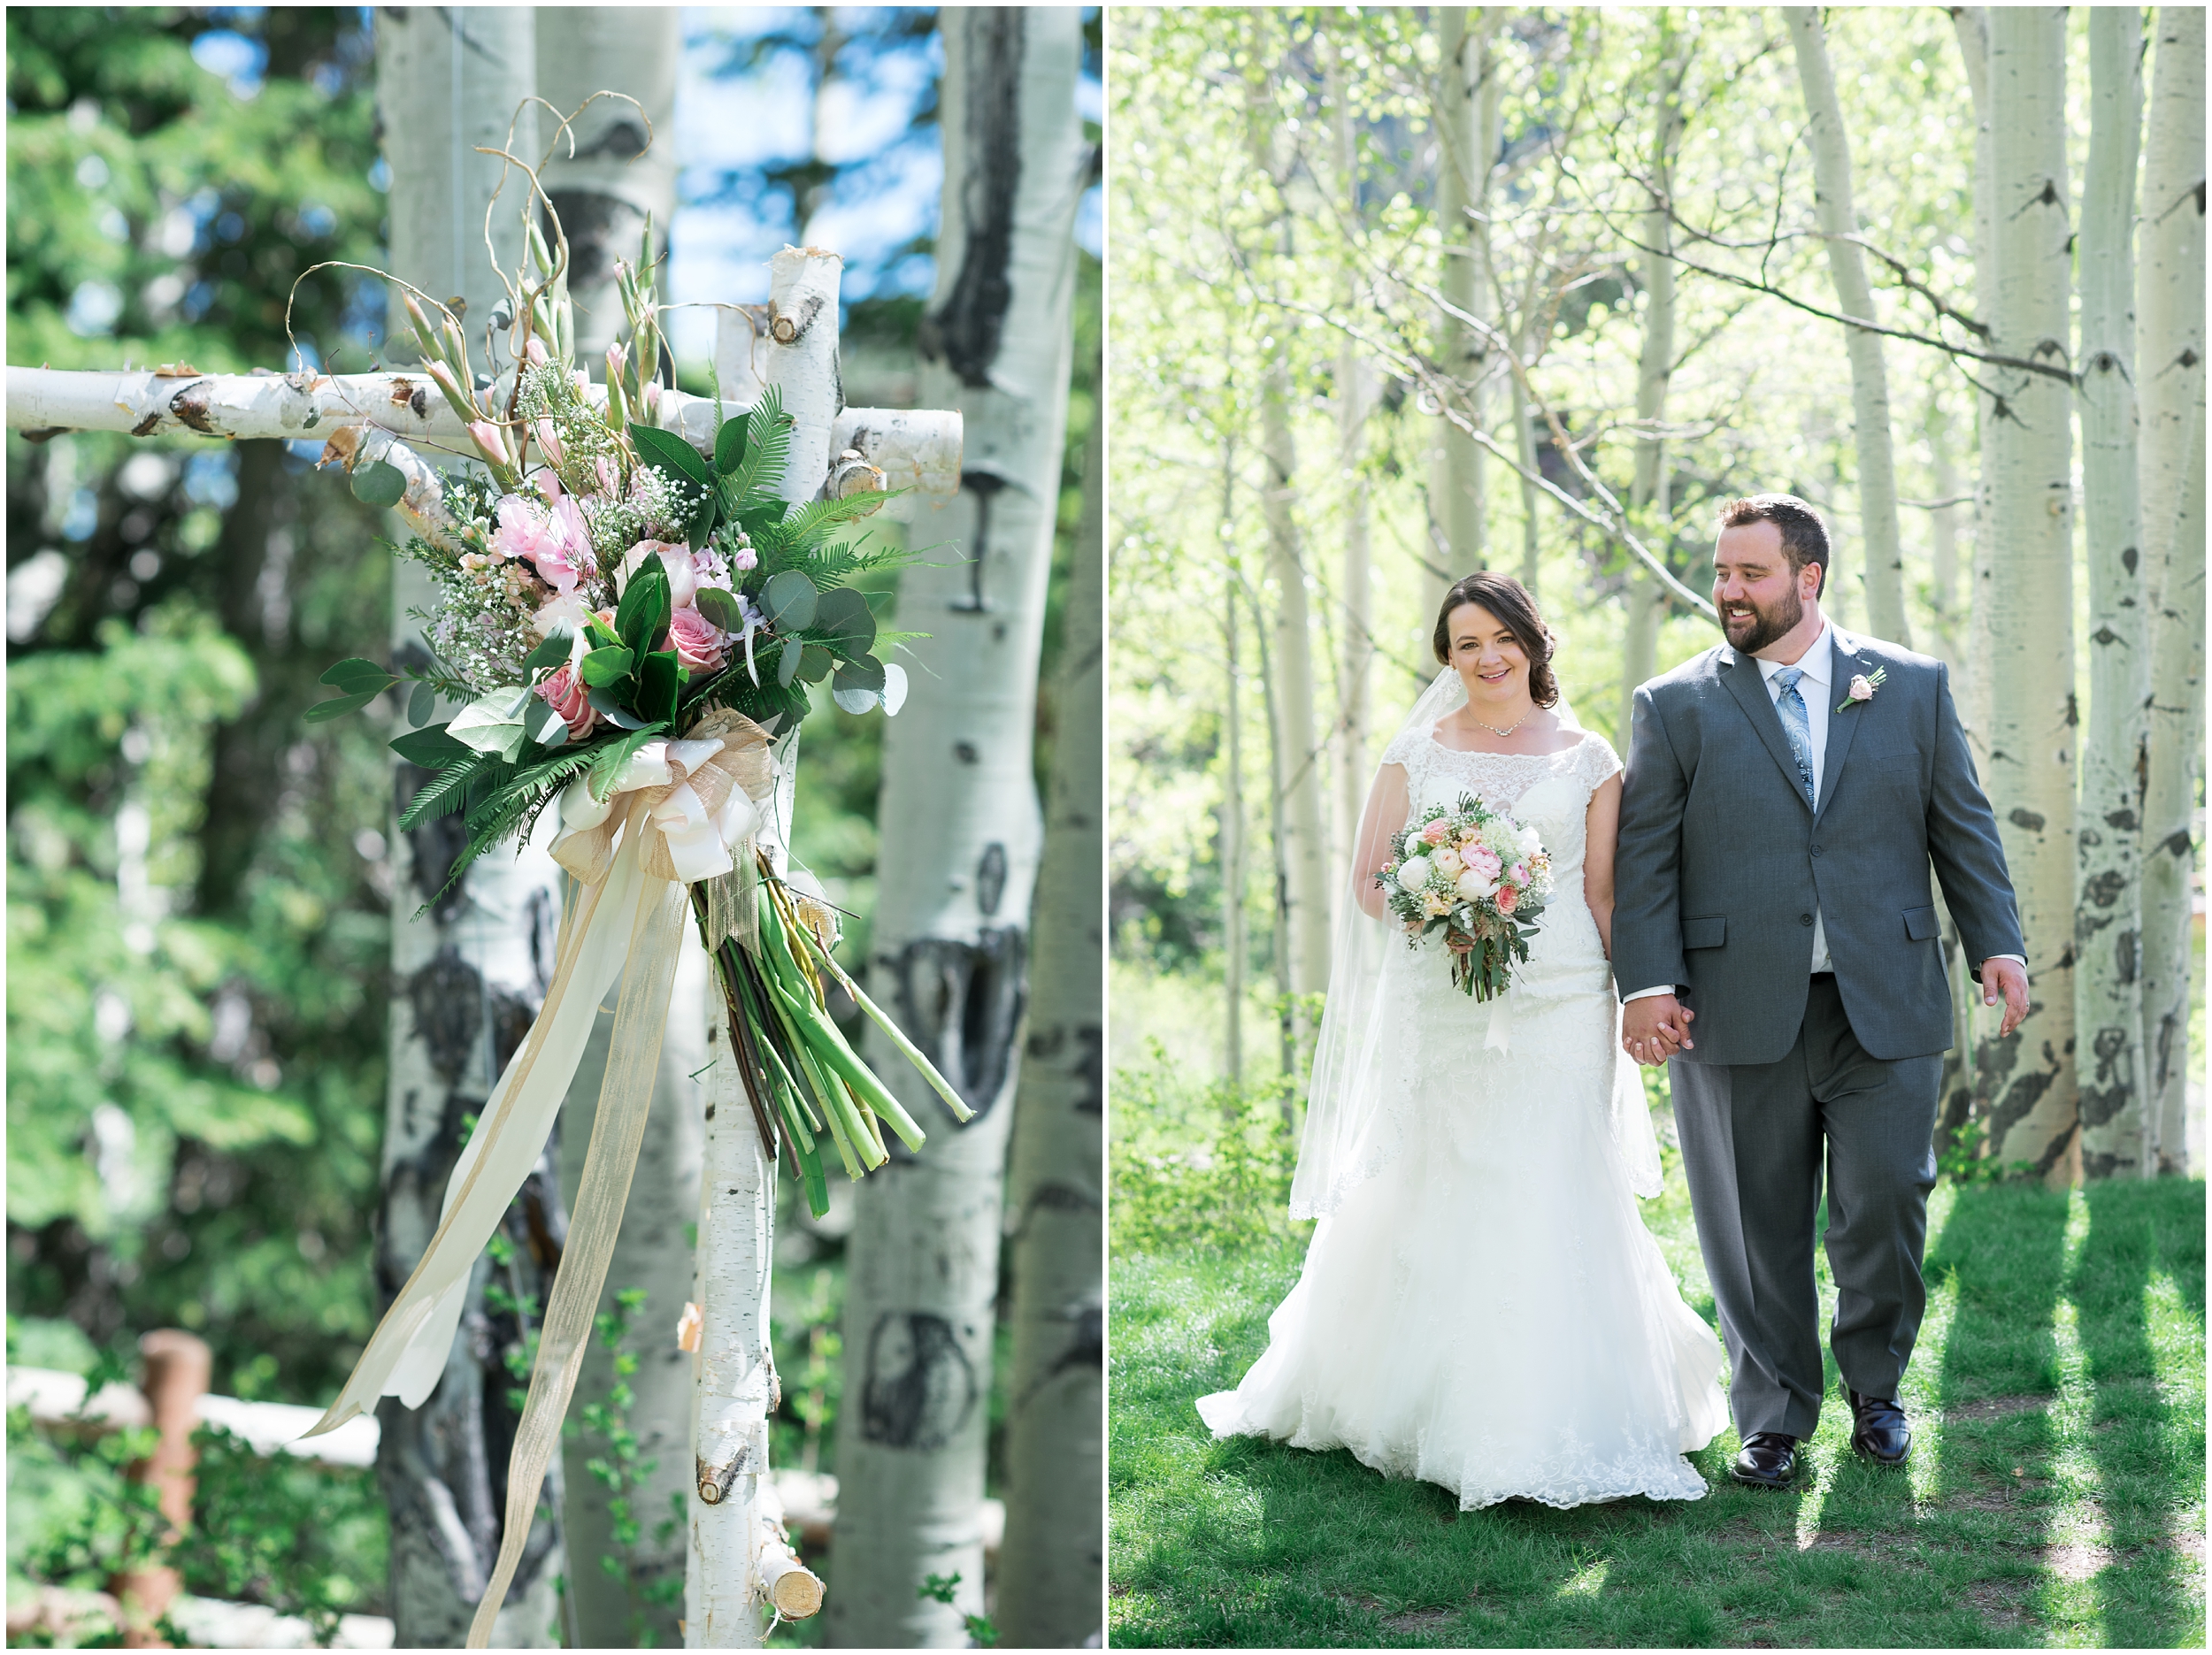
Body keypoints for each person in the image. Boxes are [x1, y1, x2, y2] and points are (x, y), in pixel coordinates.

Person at [1197, 571, 1727, 1511]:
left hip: (1561, 993)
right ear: (1447, 657)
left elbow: (1604, 891)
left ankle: (1557, 1401)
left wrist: (1637, 993)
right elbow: (1368, 881)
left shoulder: (1592, 757)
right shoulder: (1415, 750)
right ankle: (1416, 1398)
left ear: (1534, 641)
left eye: (1500, 638)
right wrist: (1440, 899)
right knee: (1442, 1168)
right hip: (1440, 990)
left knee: (1550, 1170)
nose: (1485, 658)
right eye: (1464, 643)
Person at [1615, 494, 2027, 1490]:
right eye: (1720, 571)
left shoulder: (1910, 686)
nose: (1727, 590)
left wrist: (1996, 944)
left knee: (1886, 1200)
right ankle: (1772, 1418)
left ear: (1808, 578)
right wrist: (1646, 984)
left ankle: (1877, 1393)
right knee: (1753, 1223)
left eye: (1749, 573)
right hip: (1730, 1002)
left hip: (1881, 994)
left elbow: (1959, 825)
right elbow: (1645, 858)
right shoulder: (1674, 703)